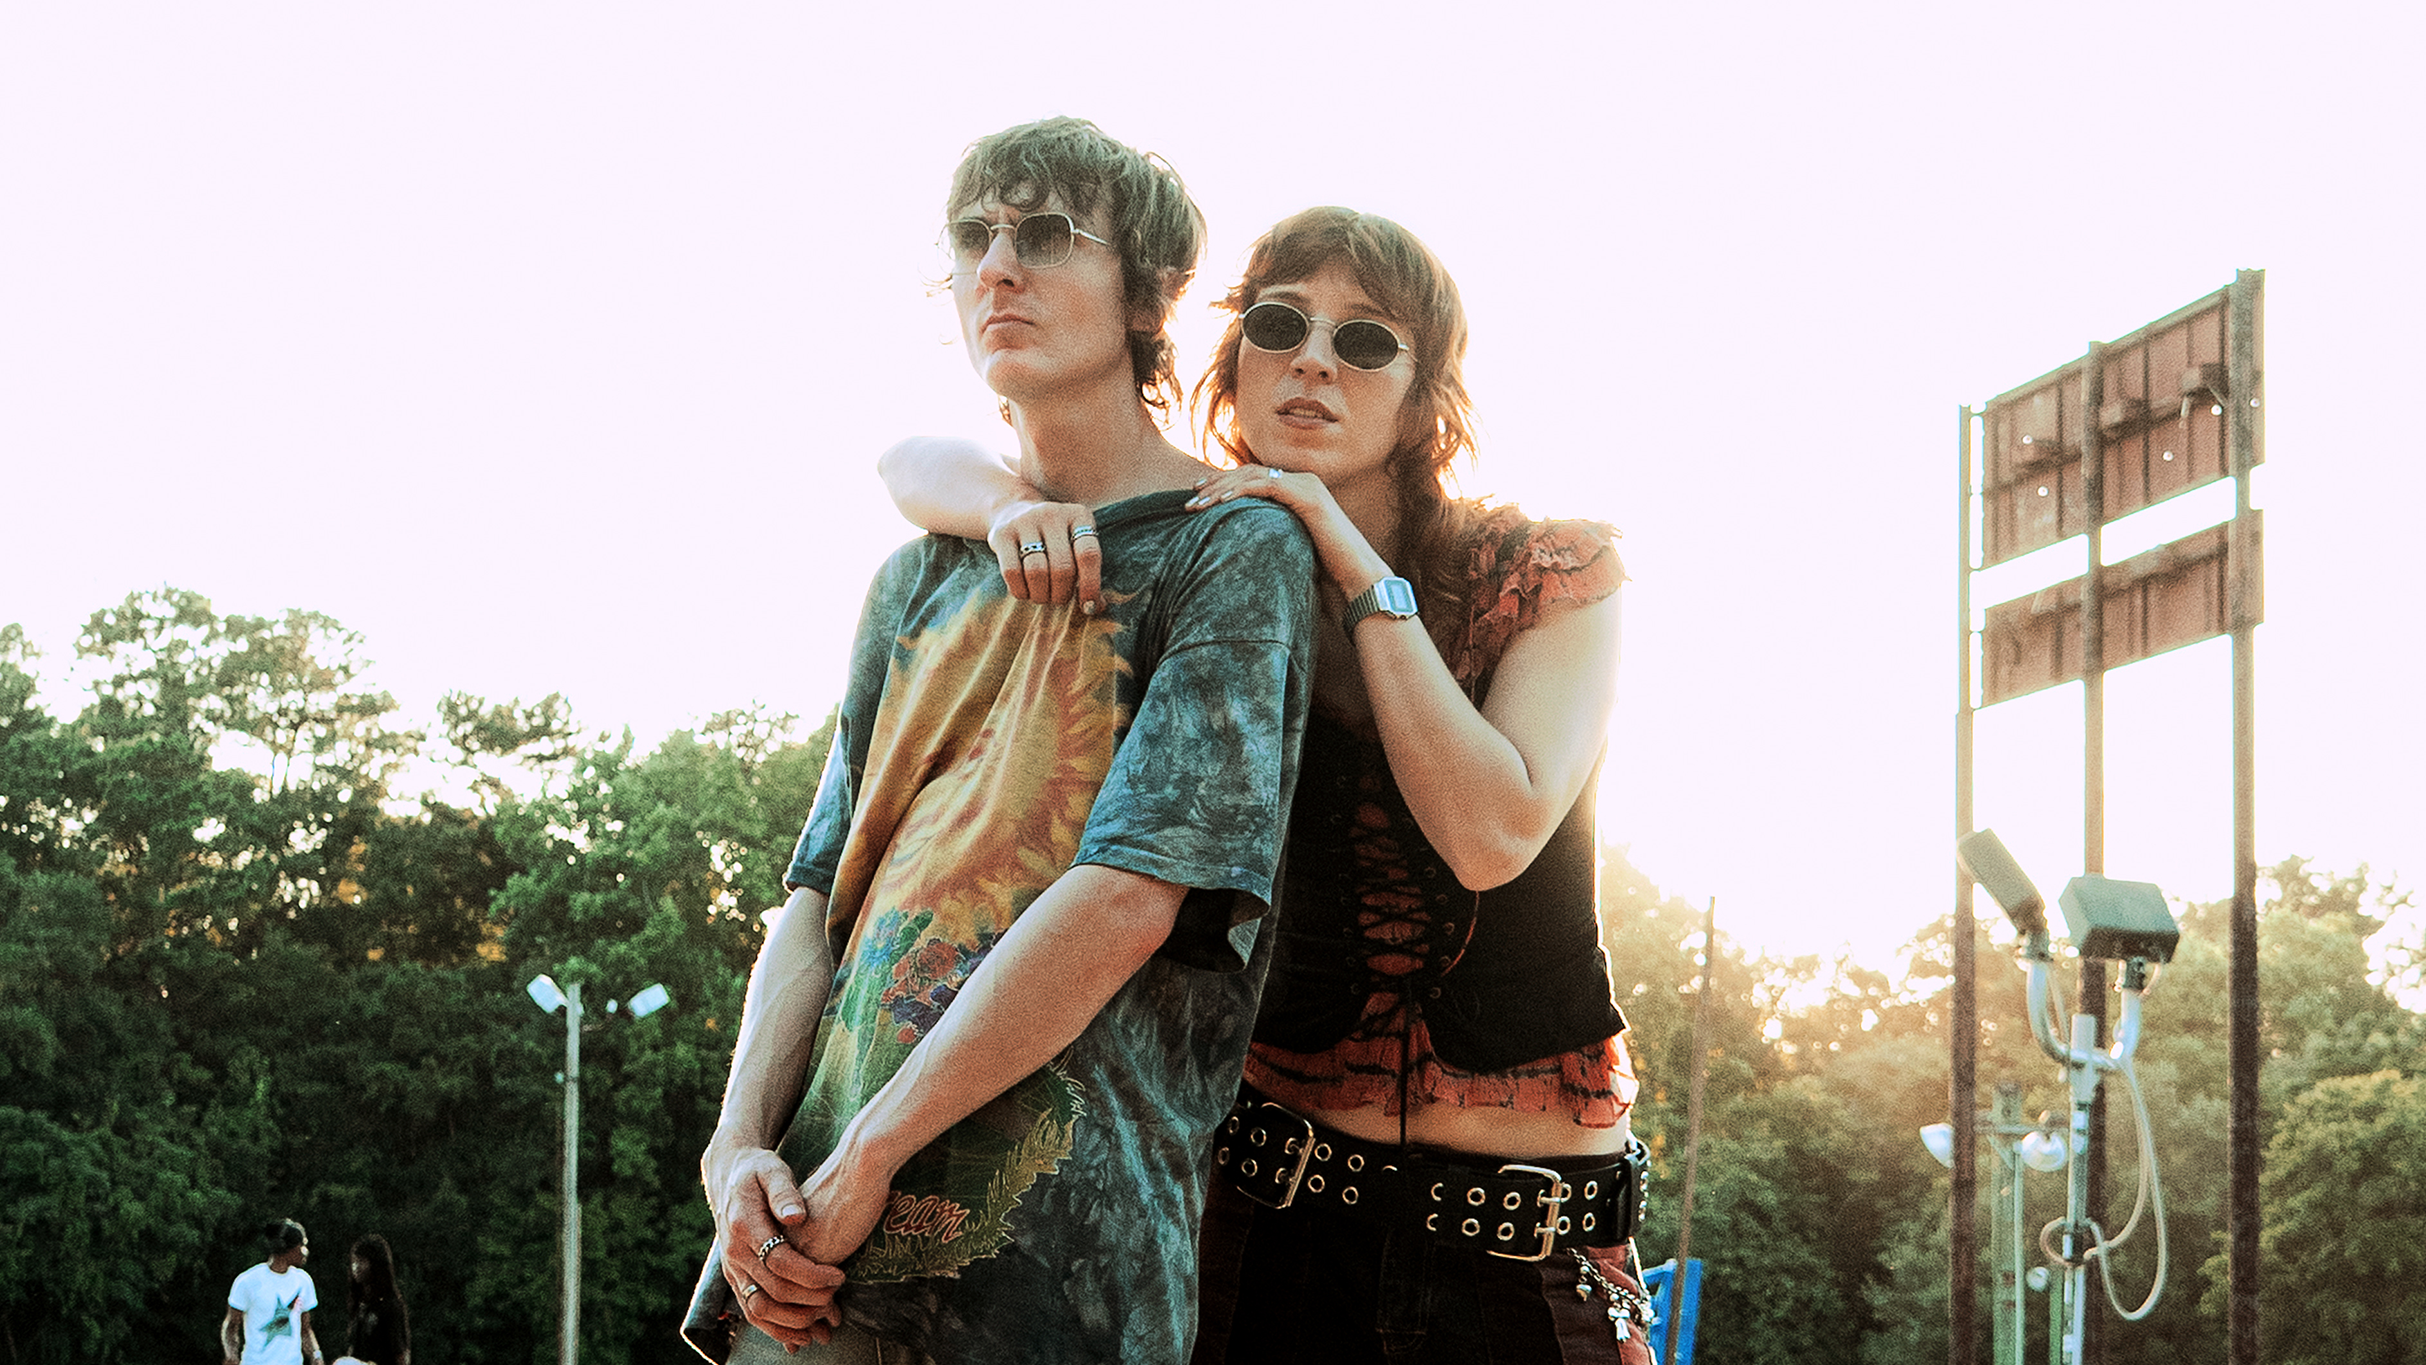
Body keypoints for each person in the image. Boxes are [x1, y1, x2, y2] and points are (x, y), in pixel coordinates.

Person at [878, 206, 1653, 1362]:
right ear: (1233, 359)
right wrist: (1009, 509)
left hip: (1521, 1261)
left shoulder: (1543, 574)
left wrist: (1347, 560)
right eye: (1280, 325)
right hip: (1273, 1229)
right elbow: (908, 464)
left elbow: (1491, 834)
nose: (1312, 361)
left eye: (1364, 340)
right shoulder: (1211, 559)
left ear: (1422, 397)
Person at [689, 116, 1316, 1365]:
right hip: (805, 1261)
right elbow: (817, 896)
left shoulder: (1230, 547)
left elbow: (1130, 894)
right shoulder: (915, 576)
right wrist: (736, 1149)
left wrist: (872, 1152)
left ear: (1147, 294)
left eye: (1048, 235)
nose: (997, 267)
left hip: (1054, 1274)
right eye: (973, 236)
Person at [223, 1219, 323, 1365]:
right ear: (290, 1249)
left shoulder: (303, 1281)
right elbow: (231, 1326)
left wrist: (316, 1355)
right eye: (302, 1246)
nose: (305, 1251)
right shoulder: (248, 1281)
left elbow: (305, 1329)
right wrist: (231, 1354)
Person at [331, 1233, 409, 1365]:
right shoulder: (361, 1304)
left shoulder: (389, 1305)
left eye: (361, 1261)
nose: (356, 1267)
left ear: (375, 1264)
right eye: (354, 1262)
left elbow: (400, 1353)